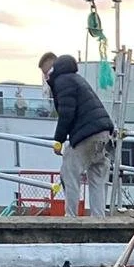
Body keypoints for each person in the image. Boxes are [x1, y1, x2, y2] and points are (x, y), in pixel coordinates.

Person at [39, 52, 114, 218]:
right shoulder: (75, 79)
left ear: (52, 68)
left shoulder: (63, 81)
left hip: (87, 134)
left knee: (69, 171)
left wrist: (58, 140)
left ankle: (71, 217)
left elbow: (67, 113)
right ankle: (99, 220)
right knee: (96, 176)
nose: (45, 77)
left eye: (45, 72)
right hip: (104, 133)